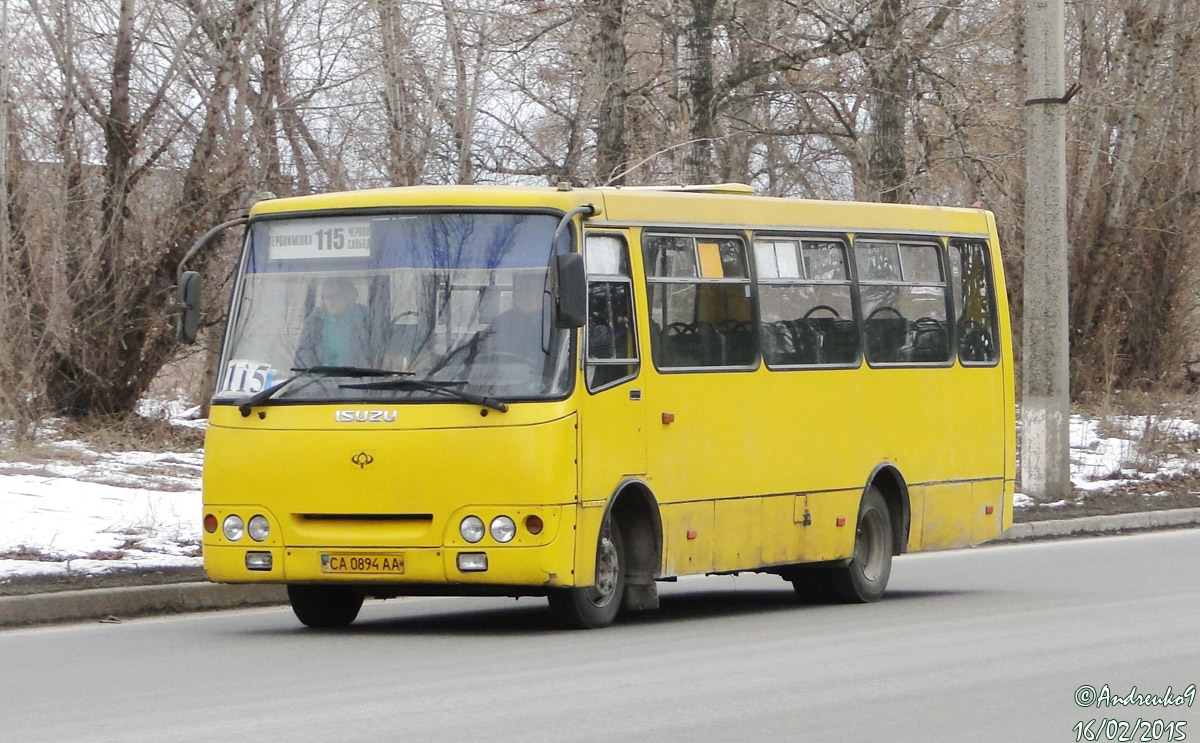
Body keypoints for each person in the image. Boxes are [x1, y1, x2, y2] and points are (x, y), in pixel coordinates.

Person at [295, 276, 371, 367]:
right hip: (318, 380)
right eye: (327, 296)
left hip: (360, 380)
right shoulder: (314, 323)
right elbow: (303, 361)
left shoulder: (367, 322)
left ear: (349, 296)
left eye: (336, 295)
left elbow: (379, 358)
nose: (331, 301)